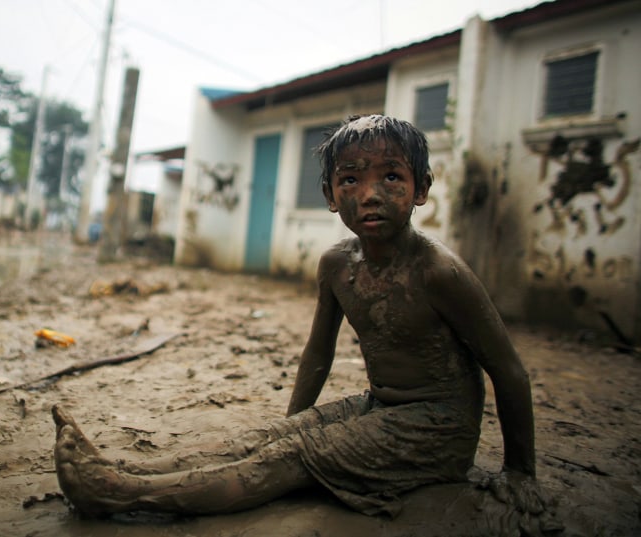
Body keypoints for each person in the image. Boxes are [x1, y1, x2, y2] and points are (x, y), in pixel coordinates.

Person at [52, 114, 543, 520]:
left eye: (391, 176)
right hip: (381, 405)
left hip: (438, 430)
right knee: (269, 439)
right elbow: (317, 353)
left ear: (421, 189)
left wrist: (520, 473)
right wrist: (295, 426)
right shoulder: (337, 266)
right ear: (331, 195)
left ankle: (118, 494)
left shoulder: (439, 273)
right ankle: (119, 468)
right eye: (351, 179)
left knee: (288, 457)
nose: (370, 194)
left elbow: (509, 370)